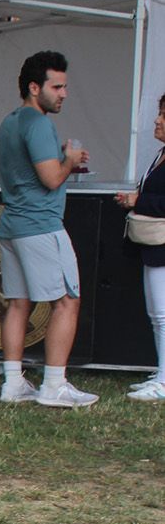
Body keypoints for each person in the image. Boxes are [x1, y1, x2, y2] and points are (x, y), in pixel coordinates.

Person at [0, 50, 97, 407]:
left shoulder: (9, 121)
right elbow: (51, 177)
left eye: (65, 86)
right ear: (34, 88)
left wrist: (63, 160)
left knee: (18, 304)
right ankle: (54, 385)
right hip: (40, 225)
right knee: (67, 301)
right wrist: (68, 159)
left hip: (12, 226)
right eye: (57, 86)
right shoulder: (38, 124)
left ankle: (13, 383)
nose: (64, 93)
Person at [114, 93, 165, 402]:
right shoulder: (160, 154)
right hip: (152, 243)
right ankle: (161, 372)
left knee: (163, 314)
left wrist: (139, 201)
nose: (157, 120)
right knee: (155, 313)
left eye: (163, 114)